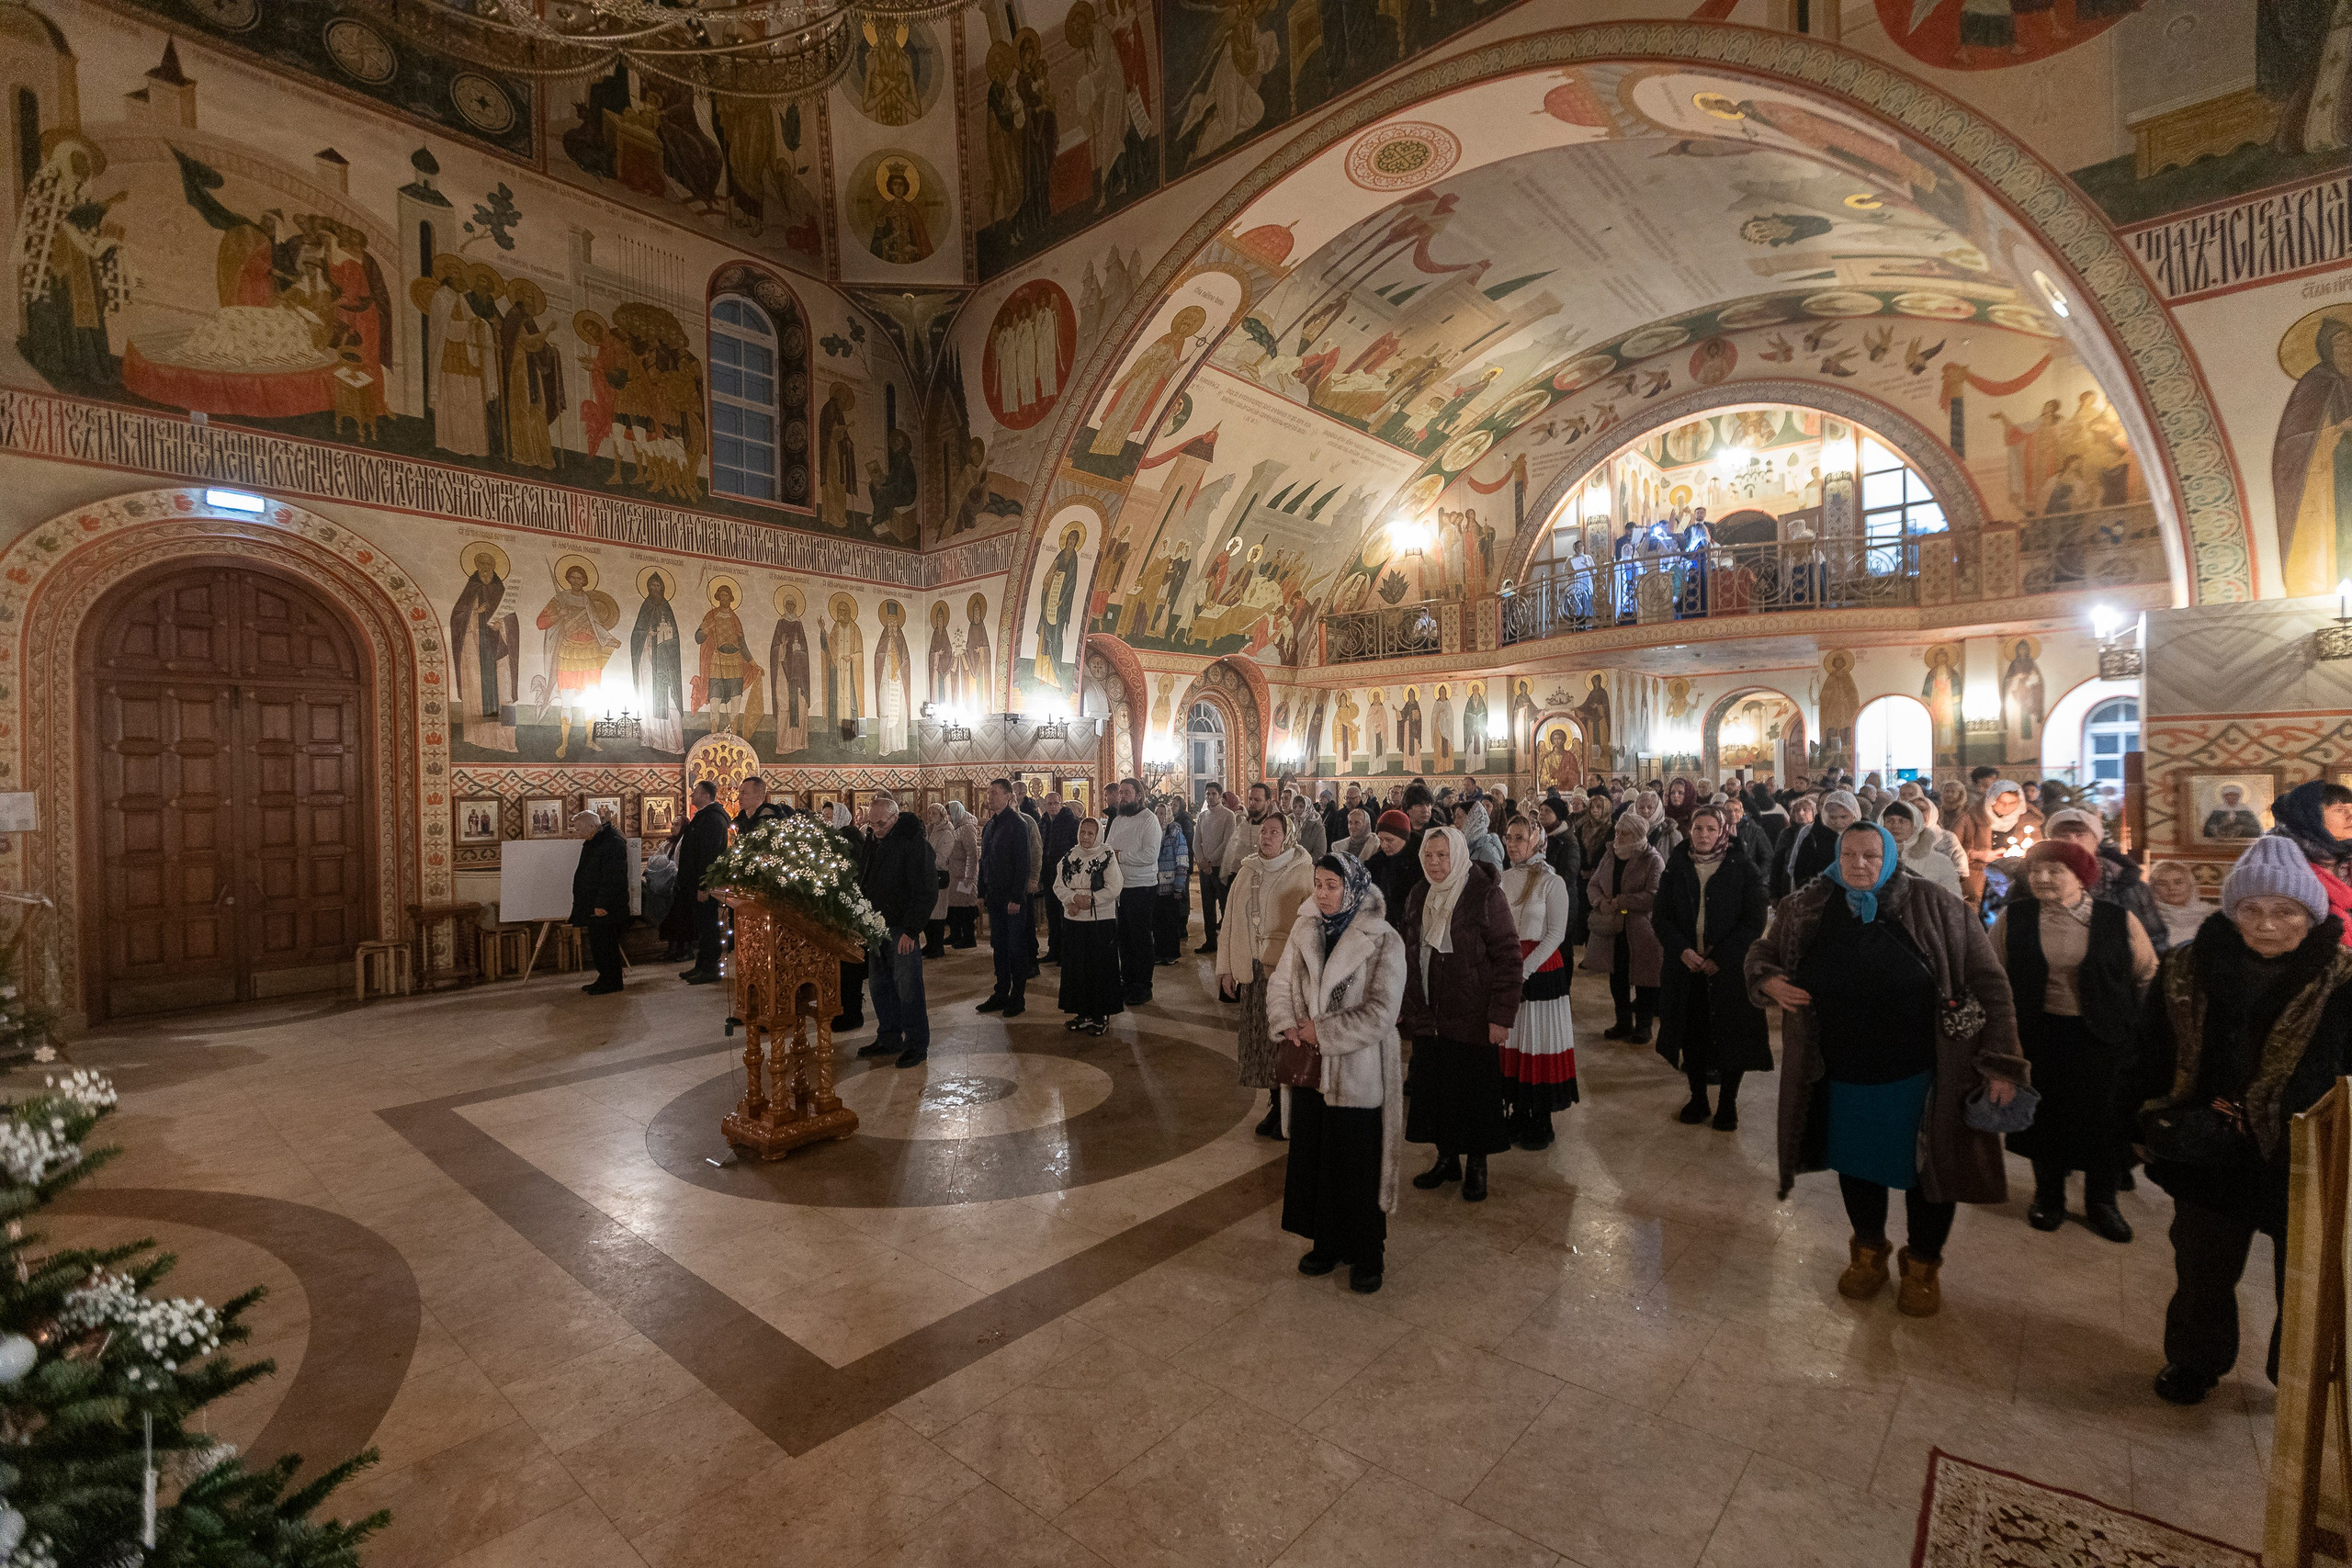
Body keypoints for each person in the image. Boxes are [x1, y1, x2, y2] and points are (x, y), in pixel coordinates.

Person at [1747, 820, 2027, 1318]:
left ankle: (1922, 1265)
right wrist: (1768, 981)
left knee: (1929, 1175)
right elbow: (1762, 954)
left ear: (1891, 857)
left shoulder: (1934, 905)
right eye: (1849, 854)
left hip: (1923, 1073)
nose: (1859, 865)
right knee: (1858, 1167)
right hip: (1841, 1071)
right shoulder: (1807, 905)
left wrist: (2002, 1065)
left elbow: (1993, 985)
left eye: (1871, 856)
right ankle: (1869, 1253)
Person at [2123, 837, 2352, 1405]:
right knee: (2202, 1270)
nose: (2268, 925)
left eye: (2285, 911)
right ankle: (2194, 1361)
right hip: (2210, 1149)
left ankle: (2294, 1377)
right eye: (2251, 909)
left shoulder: (2343, 980)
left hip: (2305, 1158)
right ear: (2231, 911)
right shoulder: (2187, 967)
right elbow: (2149, 1051)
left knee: (2301, 1281)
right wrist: (2139, 1124)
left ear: (2311, 913)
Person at [1991, 838, 2154, 1241]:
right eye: (2036, 871)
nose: (2042, 878)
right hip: (2038, 1032)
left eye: (2055, 871)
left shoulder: (2116, 919)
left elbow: (2147, 974)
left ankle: (2102, 1202)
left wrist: (2148, 1036)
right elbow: (1992, 976)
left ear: (2081, 877)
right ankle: (2049, 1197)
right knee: (2044, 1117)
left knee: (2103, 1119)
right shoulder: (2016, 917)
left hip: (2103, 1036)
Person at [1269, 852, 1407, 1295]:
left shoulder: (1383, 939)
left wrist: (1322, 1031)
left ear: (1353, 887)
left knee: (1356, 1163)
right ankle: (1325, 1242)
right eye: (1319, 884)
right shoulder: (1305, 927)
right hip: (1311, 1070)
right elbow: (1280, 982)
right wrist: (1287, 1022)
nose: (1324, 893)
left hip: (1357, 1074)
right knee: (1316, 1158)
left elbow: (1382, 1012)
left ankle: (1368, 1253)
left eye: (1332, 885)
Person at [1400, 826, 1522, 1201]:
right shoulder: (1420, 893)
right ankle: (1446, 1158)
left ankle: (1477, 1165)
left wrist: (1500, 1017)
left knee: (1473, 1092)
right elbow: (1409, 952)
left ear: (1458, 855)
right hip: (1430, 1015)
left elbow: (1508, 957)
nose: (1434, 863)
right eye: (1428, 855)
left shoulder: (1484, 894)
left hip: (1470, 1012)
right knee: (1437, 1090)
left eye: (1442, 855)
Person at [1655, 806, 1772, 1131]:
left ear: (1723, 832)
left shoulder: (1743, 868)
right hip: (1686, 968)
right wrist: (1682, 951)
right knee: (1692, 1036)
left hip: (1730, 970)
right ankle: (1698, 1097)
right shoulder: (1676, 866)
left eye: (1710, 829)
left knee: (1730, 1036)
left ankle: (1728, 1104)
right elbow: (1661, 917)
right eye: (1698, 829)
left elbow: (1753, 922)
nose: (1703, 835)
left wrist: (1720, 957)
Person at [1219, 813, 1315, 1138]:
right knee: (1260, 1043)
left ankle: (1290, 1109)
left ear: (1288, 837)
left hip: (1286, 972)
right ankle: (1274, 1104)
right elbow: (1229, 921)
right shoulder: (1247, 871)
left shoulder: (1303, 873)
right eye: (1264, 832)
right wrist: (1227, 968)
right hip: (1253, 969)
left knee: (1286, 1042)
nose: (1267, 837)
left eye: (1275, 832)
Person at [1499, 817, 1576, 1150]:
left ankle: (1541, 1116)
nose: (1512, 843)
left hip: (1541, 970)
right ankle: (1517, 1109)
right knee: (1514, 1040)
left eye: (1519, 838)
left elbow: (1555, 934)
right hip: (1508, 966)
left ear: (1536, 841)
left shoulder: (1551, 882)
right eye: (1508, 837)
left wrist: (1524, 970)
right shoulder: (1501, 879)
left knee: (1539, 1040)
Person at [854, 794, 938, 1068]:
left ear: (894, 817)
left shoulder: (914, 844)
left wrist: (911, 931)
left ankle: (916, 1044)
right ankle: (889, 1036)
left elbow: (925, 891)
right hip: (876, 926)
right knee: (880, 986)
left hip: (901, 928)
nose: (876, 829)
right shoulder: (873, 841)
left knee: (908, 987)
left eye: (881, 824)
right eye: (871, 824)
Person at [1584, 808, 1665, 1043]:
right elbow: (1594, 885)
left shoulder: (1652, 859)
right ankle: (1622, 1022)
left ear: (1638, 835)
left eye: (1625, 834)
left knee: (1644, 978)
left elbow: (1654, 895)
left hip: (1641, 929)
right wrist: (1600, 902)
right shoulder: (1610, 855)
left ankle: (1644, 1026)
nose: (1618, 837)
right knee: (1616, 975)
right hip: (1612, 927)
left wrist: (1622, 901)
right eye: (1618, 832)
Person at [2041, 806, 2168, 952]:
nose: (2072, 841)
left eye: (2080, 835)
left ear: (2096, 841)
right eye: (2063, 835)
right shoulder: (2036, 882)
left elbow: (2153, 938)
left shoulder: (2128, 885)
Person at [1053, 816, 1125, 1034]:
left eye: (1090, 833)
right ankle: (1081, 1012)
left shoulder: (1107, 856)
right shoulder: (1070, 856)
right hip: (1074, 919)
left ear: (1098, 835)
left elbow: (1115, 887)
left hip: (1099, 921)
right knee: (1077, 967)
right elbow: (1058, 884)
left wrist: (1091, 900)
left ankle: (1100, 1015)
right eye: (1082, 832)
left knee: (1099, 968)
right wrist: (1072, 900)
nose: (1085, 837)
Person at [977, 778, 1035, 1017]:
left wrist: (1017, 898)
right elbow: (985, 862)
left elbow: (1023, 864)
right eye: (988, 792)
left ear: (1008, 796)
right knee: (998, 947)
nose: (989, 797)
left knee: (1015, 949)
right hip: (994, 896)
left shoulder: (1017, 824)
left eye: (995, 793)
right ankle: (1001, 992)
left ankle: (1017, 998)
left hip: (1012, 900)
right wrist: (981, 893)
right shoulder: (991, 825)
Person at [2267, 779, 2352, 939]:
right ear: (2310, 816)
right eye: (2340, 810)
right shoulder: (2277, 861)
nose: (2350, 816)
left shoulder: (2346, 856)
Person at [1105, 777, 1163, 1004]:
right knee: (1125, 938)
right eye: (1120, 793)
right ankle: (1127, 981)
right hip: (1120, 887)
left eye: (1127, 792)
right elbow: (1108, 848)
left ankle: (1143, 986)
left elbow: (1150, 856)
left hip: (1142, 887)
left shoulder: (1149, 820)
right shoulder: (1118, 820)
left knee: (1140, 938)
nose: (1122, 797)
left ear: (1139, 795)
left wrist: (1121, 856)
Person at [674, 780, 729, 985]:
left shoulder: (713, 819)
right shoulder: (703, 817)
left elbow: (709, 856)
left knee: (709, 928)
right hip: (694, 883)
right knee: (702, 927)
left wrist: (704, 886)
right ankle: (701, 965)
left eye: (695, 792)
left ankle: (711, 969)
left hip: (704, 885)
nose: (691, 795)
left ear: (706, 795)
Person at [570, 808, 629, 995]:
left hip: (607, 907)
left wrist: (602, 903)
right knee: (598, 944)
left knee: (607, 945)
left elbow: (613, 877)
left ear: (592, 826)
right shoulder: (594, 841)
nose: (578, 834)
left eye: (579, 829)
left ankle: (612, 981)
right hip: (593, 904)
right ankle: (604, 977)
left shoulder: (612, 843)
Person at [1957, 778, 2042, 909]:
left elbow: (2037, 848)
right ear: (1992, 800)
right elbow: (1951, 848)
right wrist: (1976, 854)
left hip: (2016, 880)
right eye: (2002, 802)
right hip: (1977, 879)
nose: (2006, 807)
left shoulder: (2029, 820)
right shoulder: (1970, 818)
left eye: (2012, 803)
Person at [1883, 799, 1965, 898]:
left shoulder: (1939, 862)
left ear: (1914, 826)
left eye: (1902, 821)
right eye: (1889, 820)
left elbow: (1953, 900)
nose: (1895, 826)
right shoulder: (1875, 858)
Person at [1039, 791, 1080, 964]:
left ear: (1061, 804)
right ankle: (1053, 950)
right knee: (1052, 913)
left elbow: (1075, 849)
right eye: (1050, 804)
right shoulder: (1042, 823)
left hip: (1065, 874)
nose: (1053, 806)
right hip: (1048, 872)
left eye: (1056, 803)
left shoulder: (1070, 822)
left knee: (1064, 913)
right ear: (1045, 806)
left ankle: (1066, 953)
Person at [1195, 785, 1238, 955]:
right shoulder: (1202, 816)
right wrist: (1201, 861)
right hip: (1206, 868)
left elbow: (1227, 841)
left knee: (1224, 906)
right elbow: (1196, 841)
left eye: (1214, 794)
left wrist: (1209, 860)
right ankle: (1210, 940)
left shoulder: (1229, 815)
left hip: (1221, 867)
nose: (1210, 797)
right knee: (1207, 906)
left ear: (1220, 796)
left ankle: (1228, 943)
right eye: (1208, 794)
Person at [1153, 797, 1192, 964]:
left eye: (1162, 813)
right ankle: (1158, 952)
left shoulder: (1176, 833)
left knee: (1170, 922)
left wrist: (1179, 887)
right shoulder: (1152, 832)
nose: (1160, 816)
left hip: (1170, 886)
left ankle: (1170, 954)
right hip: (1154, 885)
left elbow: (1182, 859)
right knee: (1157, 921)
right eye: (1157, 813)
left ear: (1168, 815)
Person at [1365, 809, 1422, 918]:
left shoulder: (1419, 863)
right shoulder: (1375, 863)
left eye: (1389, 840)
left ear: (1404, 838)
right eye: (1381, 840)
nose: (1384, 845)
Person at [2147, 861, 2211, 949]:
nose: (2171, 888)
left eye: (2178, 882)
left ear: (2190, 885)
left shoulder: (2211, 916)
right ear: (2153, 888)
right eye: (2162, 884)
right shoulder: (2147, 920)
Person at [944, 800, 981, 948]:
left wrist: (969, 877)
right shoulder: (954, 827)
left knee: (965, 907)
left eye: (949, 813)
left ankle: (968, 938)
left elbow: (972, 854)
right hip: (953, 874)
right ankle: (955, 934)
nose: (948, 816)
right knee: (953, 907)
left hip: (965, 875)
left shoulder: (967, 828)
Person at [923, 803, 956, 957]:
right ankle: (930, 944)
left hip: (939, 874)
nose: (930, 816)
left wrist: (924, 860)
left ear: (942, 815)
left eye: (934, 814)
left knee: (938, 913)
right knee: (929, 912)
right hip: (929, 873)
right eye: (929, 813)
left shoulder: (947, 833)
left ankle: (937, 946)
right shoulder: (930, 830)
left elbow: (942, 858)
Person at [1721, 795, 1774, 883]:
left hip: (1750, 878)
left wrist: (1757, 875)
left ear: (1742, 813)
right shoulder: (1718, 830)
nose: (1733, 814)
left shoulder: (1755, 830)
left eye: (1736, 810)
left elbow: (1767, 856)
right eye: (1729, 811)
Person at [1460, 800, 1505, 870]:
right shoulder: (1468, 844)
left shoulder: (1488, 850)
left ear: (1472, 820)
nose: (1455, 821)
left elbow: (1496, 878)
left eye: (1459, 817)